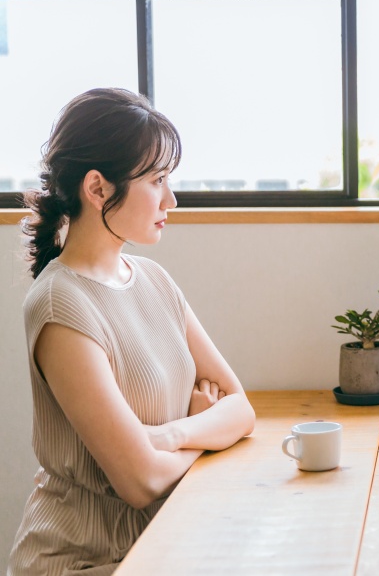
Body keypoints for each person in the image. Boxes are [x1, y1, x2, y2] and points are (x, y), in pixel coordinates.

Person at [8, 88, 256, 575]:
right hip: (86, 561)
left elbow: (242, 408)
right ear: (97, 188)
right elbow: (139, 481)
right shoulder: (61, 305)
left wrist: (169, 436)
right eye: (158, 179)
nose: (172, 199)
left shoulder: (154, 280)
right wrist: (207, 432)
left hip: (163, 546)